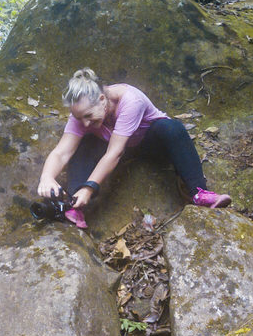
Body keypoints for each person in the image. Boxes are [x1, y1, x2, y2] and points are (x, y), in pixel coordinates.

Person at [37, 68, 231, 229]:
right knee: (84, 142)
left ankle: (199, 192)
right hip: (117, 147)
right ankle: (74, 205)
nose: (85, 123)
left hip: (149, 143)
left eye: (88, 116)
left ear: (102, 99)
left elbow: (114, 153)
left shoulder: (130, 100)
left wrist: (89, 188)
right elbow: (61, 152)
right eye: (80, 118)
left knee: (172, 128)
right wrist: (47, 177)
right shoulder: (82, 113)